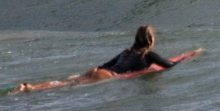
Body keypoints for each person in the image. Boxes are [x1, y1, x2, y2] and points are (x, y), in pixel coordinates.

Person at [15, 25, 183, 92]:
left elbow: (106, 65)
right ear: (151, 40)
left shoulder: (126, 51)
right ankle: (33, 89)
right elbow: (169, 65)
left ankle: (32, 87)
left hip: (99, 70)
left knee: (65, 82)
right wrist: (187, 58)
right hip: (107, 75)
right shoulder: (149, 55)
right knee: (67, 86)